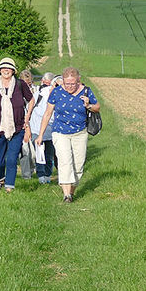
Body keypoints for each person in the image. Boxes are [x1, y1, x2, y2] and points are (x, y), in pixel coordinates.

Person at [36, 66, 100, 202]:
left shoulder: (86, 91)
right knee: (65, 162)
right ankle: (67, 195)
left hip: (80, 133)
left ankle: (72, 191)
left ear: (78, 80)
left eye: (73, 83)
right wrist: (41, 134)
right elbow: (47, 113)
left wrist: (88, 105)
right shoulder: (57, 92)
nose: (70, 86)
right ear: (62, 81)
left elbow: (97, 107)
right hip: (60, 132)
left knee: (78, 164)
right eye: (67, 83)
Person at [0, 57, 35, 193]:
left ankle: (9, 187)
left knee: (11, 159)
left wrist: (27, 118)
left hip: (17, 128)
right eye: (4, 68)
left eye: (9, 68)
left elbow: (31, 100)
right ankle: (1, 179)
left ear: (13, 70)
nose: (6, 70)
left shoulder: (20, 84)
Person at [28, 72, 57, 183]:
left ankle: (47, 175)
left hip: (50, 130)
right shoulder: (39, 95)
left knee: (49, 154)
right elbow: (29, 108)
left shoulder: (57, 96)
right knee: (40, 153)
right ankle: (41, 175)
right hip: (36, 128)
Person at [18, 70, 36, 180]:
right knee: (24, 150)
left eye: (29, 83)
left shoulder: (37, 91)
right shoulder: (17, 92)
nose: (27, 86)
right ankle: (26, 175)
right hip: (22, 123)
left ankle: (33, 169)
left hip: (36, 124)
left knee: (33, 152)